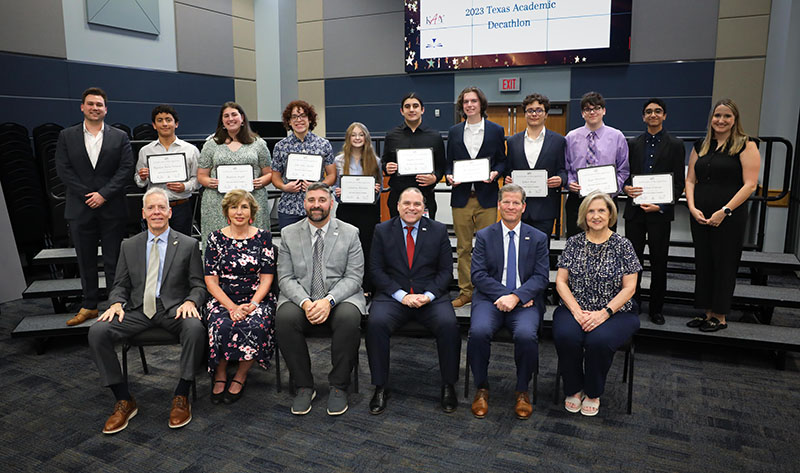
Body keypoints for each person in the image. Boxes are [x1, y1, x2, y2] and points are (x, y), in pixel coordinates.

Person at [87, 188, 207, 433]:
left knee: (195, 327)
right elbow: (120, 283)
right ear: (143, 213)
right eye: (151, 208)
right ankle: (123, 399)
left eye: (161, 208)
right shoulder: (129, 245)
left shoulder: (188, 244)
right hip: (137, 310)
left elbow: (198, 284)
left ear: (170, 212)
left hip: (173, 309)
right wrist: (116, 303)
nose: (156, 212)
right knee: (97, 331)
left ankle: (182, 394)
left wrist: (191, 302)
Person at [366, 187, 461, 415]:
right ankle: (380, 386)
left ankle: (448, 385)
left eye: (417, 204)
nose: (411, 208)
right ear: (397, 206)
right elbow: (376, 270)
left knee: (449, 325)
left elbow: (446, 271)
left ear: (424, 207)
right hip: (393, 296)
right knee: (375, 324)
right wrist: (402, 295)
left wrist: (428, 295)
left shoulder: (437, 230)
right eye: (406, 203)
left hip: (430, 296)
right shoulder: (382, 230)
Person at [275, 182, 365, 416]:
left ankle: (338, 386)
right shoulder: (289, 233)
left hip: (339, 297)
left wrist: (328, 301)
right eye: (311, 200)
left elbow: (354, 277)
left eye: (322, 200)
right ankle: (304, 385)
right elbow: (285, 278)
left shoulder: (350, 232)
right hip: (302, 298)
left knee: (349, 317)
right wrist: (306, 302)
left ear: (331, 203)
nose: (316, 205)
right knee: (284, 318)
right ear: (304, 203)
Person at [553, 191, 641, 417]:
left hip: (617, 311)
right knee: (566, 336)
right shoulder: (573, 243)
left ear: (610, 214)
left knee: (598, 341)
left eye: (601, 210)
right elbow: (561, 282)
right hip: (575, 307)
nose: (596, 215)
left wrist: (604, 313)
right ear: (584, 215)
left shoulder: (623, 245)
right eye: (591, 211)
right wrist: (576, 310)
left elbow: (630, 288)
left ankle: (593, 392)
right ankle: (573, 387)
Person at [467, 184, 549, 420]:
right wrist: (505, 295)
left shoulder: (538, 238)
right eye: (506, 202)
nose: (511, 207)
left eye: (516, 203)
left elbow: (541, 276)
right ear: (499, 205)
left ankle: (522, 390)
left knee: (526, 335)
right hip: (490, 299)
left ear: (523, 207)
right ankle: (482, 387)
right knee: (479, 331)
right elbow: (478, 275)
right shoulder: (484, 235)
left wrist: (517, 296)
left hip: (524, 301)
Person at [55, 87, 134, 326]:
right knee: (85, 260)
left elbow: (125, 169)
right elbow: (63, 169)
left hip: (111, 207)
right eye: (90, 104)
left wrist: (103, 194)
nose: (95, 108)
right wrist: (88, 195)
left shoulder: (119, 136)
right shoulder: (66, 136)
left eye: (99, 104)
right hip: (80, 208)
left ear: (106, 109)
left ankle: (114, 304)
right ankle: (89, 306)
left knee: (113, 261)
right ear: (82, 107)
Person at [685, 99, 760, 332]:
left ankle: (720, 315)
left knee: (724, 263)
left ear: (734, 119)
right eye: (717, 116)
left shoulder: (746, 145)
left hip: (730, 216)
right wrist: (691, 207)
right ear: (711, 119)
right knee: (704, 262)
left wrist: (725, 210)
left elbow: (750, 185)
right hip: (700, 214)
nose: (721, 120)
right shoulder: (701, 145)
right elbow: (690, 180)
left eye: (727, 116)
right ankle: (706, 311)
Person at [204, 190, 277, 404]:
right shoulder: (215, 238)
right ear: (227, 211)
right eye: (234, 207)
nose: (239, 211)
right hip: (223, 299)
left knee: (255, 325)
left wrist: (253, 304)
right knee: (221, 325)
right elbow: (210, 281)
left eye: (244, 207)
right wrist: (232, 307)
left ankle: (240, 375)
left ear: (251, 212)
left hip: (256, 298)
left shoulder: (263, 237)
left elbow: (267, 278)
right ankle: (220, 373)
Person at [622, 98, 686, 325]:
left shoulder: (676, 145)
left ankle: (657, 309)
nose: (653, 115)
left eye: (658, 111)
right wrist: (625, 187)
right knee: (633, 262)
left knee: (660, 262)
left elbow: (679, 183)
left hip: (660, 213)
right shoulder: (632, 143)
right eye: (648, 112)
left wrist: (662, 205)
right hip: (635, 213)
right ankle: (633, 303)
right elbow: (625, 175)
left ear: (664, 115)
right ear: (643, 117)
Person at [445, 86, 506, 308]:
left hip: (487, 197)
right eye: (466, 102)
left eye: (473, 101)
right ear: (462, 106)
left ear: (481, 104)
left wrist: (495, 173)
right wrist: (449, 176)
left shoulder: (495, 130)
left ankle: (485, 291)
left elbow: (501, 160)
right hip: (461, 197)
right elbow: (448, 162)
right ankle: (465, 292)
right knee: (463, 248)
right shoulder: (454, 132)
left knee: (487, 246)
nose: (470, 105)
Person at [197, 102, 272, 250]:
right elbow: (201, 175)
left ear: (242, 118)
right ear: (222, 121)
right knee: (219, 245)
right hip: (217, 203)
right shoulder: (211, 144)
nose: (230, 119)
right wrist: (209, 181)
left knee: (253, 243)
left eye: (234, 115)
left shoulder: (258, 144)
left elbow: (269, 173)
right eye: (226, 116)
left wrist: (261, 181)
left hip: (252, 200)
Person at [564, 91, 629, 237]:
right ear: (582, 113)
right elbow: (565, 167)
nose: (592, 112)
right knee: (576, 243)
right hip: (577, 198)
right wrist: (569, 182)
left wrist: (612, 189)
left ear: (604, 111)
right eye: (587, 109)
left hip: (607, 199)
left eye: (597, 108)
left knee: (606, 244)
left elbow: (623, 169)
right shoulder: (571, 137)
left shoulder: (617, 136)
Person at [504, 93, 567, 238]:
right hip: (518, 207)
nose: (534, 114)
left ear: (546, 114)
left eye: (539, 110)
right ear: (525, 114)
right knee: (518, 249)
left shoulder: (558, 141)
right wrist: (507, 178)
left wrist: (561, 180)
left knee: (541, 251)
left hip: (545, 207)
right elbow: (508, 169)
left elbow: (563, 170)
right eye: (530, 110)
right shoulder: (513, 141)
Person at [134, 104, 200, 236]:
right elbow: (138, 181)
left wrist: (185, 186)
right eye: (160, 120)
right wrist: (142, 177)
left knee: (182, 248)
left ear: (176, 124)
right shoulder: (145, 151)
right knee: (155, 246)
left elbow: (198, 179)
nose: (164, 124)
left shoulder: (190, 150)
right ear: (154, 125)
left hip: (181, 205)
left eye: (168, 120)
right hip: (155, 209)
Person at [333, 122, 382, 296]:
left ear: (366, 138)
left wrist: (375, 191)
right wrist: (337, 193)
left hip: (368, 212)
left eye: (361, 135)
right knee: (344, 247)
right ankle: (345, 286)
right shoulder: (338, 160)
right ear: (348, 138)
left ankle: (367, 286)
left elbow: (380, 188)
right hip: (347, 210)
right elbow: (335, 188)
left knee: (367, 247)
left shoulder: (375, 160)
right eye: (353, 135)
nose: (357, 138)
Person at [271, 100, 336, 229]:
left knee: (318, 244)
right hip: (289, 206)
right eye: (294, 117)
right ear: (289, 121)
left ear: (310, 119)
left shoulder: (323, 144)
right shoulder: (281, 146)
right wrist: (284, 187)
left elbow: (332, 175)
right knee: (290, 245)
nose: (298, 120)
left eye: (303, 116)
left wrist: (318, 186)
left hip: (317, 207)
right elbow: (275, 176)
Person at [382, 92, 446, 219]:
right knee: (397, 236)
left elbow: (441, 166)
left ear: (422, 110)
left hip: (425, 196)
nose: (411, 109)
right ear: (402, 111)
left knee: (425, 237)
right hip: (398, 196)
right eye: (407, 106)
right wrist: (386, 167)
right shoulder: (392, 136)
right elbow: (384, 161)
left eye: (415, 106)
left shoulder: (434, 136)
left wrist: (435, 178)